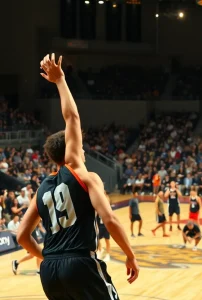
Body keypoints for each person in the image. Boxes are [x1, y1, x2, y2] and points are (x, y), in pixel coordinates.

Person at [17, 54, 139, 300]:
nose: (83, 149)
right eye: (79, 146)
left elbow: (21, 236)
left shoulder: (42, 188)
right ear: (71, 149)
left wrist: (46, 257)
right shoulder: (82, 173)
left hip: (50, 271)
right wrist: (130, 254)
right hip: (80, 263)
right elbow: (111, 220)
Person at [97, 192, 111, 262]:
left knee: (107, 240)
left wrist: (105, 195)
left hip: (106, 225)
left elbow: (107, 200)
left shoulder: (107, 204)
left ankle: (108, 255)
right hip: (100, 224)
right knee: (98, 239)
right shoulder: (99, 204)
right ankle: (100, 250)